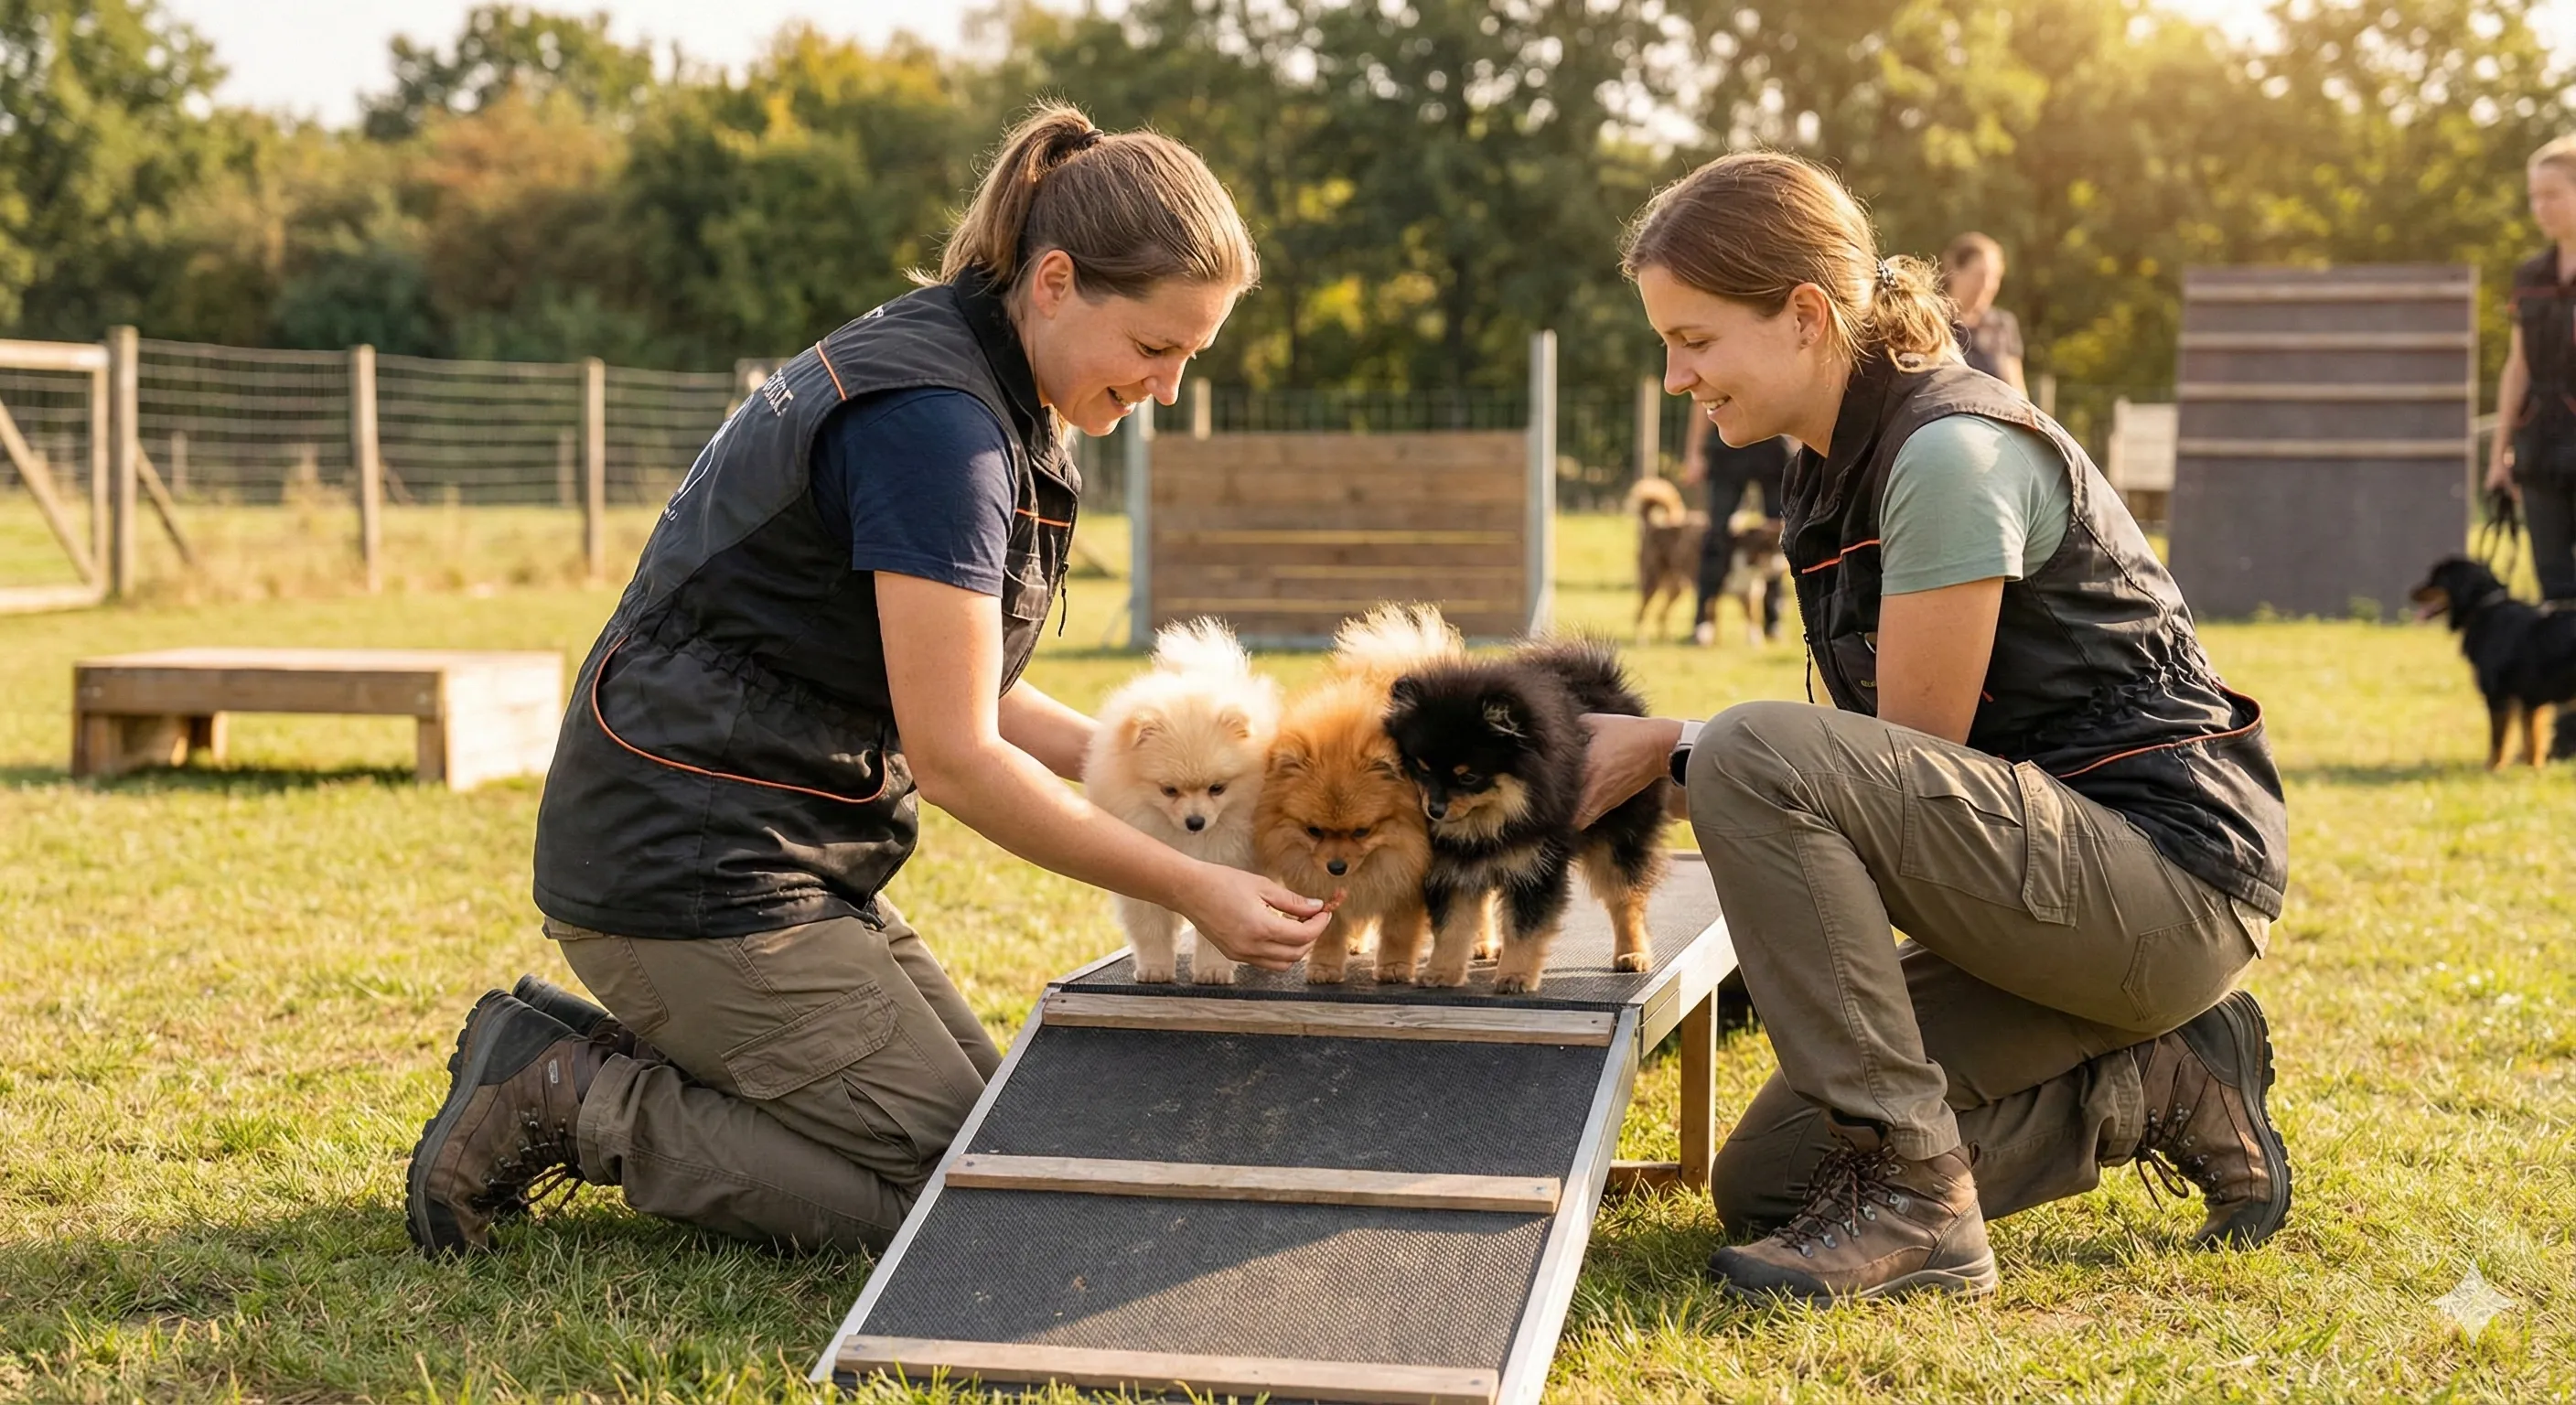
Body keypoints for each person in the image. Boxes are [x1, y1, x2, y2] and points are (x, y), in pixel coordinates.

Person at [402, 105, 1332, 1257]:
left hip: (778, 857)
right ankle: (570, 1098)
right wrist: (1196, 888)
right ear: (1054, 282)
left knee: (995, 1144)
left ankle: (604, 1052)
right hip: (689, 871)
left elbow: (962, 686)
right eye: (1154, 347)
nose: (1170, 387)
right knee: (960, 1204)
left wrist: (1179, 762)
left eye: (1191, 356)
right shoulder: (939, 431)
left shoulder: (983, 384)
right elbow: (956, 754)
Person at [1580, 152, 2292, 1302]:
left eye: (1694, 340)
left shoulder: (1946, 453)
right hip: (2041, 888)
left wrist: (1675, 749)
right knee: (1771, 1183)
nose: (1674, 377)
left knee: (1749, 748)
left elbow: (1908, 768)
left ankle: (1918, 1203)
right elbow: (1878, 796)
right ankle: (2159, 1085)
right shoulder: (1827, 465)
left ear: (1804, 315)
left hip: (2170, 887)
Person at [2491, 134, 2576, 603]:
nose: (2541, 207)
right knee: (2555, 588)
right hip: (2538, 447)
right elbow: (2517, 366)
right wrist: (2499, 455)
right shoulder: (2530, 276)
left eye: (2553, 195)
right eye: (2534, 196)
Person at [1679, 409, 1792, 645]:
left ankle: (1772, 621)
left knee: (1780, 537)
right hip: (1727, 443)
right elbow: (1702, 402)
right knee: (1717, 533)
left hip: (1773, 443)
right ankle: (1703, 620)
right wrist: (1694, 452)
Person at [1942, 231, 2028, 396]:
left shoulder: (2001, 325)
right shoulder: (1932, 321)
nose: (1987, 285)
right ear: (1953, 271)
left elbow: (2017, 390)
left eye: (1995, 277)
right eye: (1979, 276)